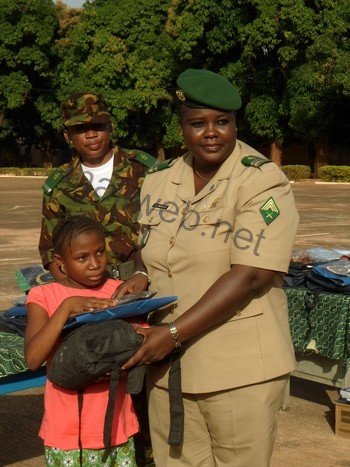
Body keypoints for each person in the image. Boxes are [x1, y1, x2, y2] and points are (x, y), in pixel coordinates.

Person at [117, 68, 300, 467]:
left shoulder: (263, 183)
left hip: (239, 370)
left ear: (235, 123)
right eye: (198, 124)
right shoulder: (161, 180)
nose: (211, 132)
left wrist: (175, 332)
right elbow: (147, 247)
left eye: (223, 122)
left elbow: (253, 273)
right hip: (168, 369)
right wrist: (141, 274)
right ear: (182, 127)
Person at [38, 91, 156, 466]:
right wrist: (74, 296)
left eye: (98, 126)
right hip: (85, 301)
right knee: (96, 379)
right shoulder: (59, 183)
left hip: (140, 287)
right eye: (81, 129)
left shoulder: (146, 170)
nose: (91, 134)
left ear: (110, 127)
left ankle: (144, 455)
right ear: (68, 136)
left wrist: (141, 272)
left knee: (144, 381)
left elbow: (162, 232)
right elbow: (48, 249)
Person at [25, 215, 138, 466]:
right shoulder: (44, 295)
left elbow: (141, 345)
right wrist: (66, 307)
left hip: (117, 426)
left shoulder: (120, 291)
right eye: (82, 258)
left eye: (99, 252)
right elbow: (33, 358)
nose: (95, 264)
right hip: (67, 432)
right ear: (60, 262)